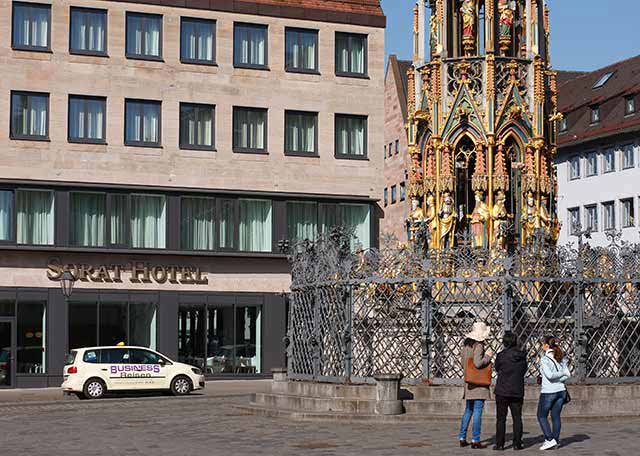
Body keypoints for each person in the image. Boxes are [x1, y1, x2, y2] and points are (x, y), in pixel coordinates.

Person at [458, 322, 493, 449]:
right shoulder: (479, 346)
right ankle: (475, 440)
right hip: (479, 384)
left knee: (468, 410)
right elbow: (478, 363)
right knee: (478, 411)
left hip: (469, 382)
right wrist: (488, 357)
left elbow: (463, 363)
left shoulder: (466, 345)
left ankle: (462, 437)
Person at [493, 331, 527, 451]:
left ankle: (500, 444)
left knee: (501, 419)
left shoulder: (501, 355)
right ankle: (517, 443)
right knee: (517, 418)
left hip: (502, 390)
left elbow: (497, 368)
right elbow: (524, 371)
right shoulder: (522, 356)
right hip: (517, 390)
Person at [537, 335, 571, 451]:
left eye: (542, 344)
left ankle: (549, 439)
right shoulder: (560, 356)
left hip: (549, 391)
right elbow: (566, 375)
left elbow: (550, 376)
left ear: (546, 345)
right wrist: (562, 374)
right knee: (556, 416)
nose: (541, 346)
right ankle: (555, 440)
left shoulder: (545, 359)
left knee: (541, 416)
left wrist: (560, 373)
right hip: (561, 391)